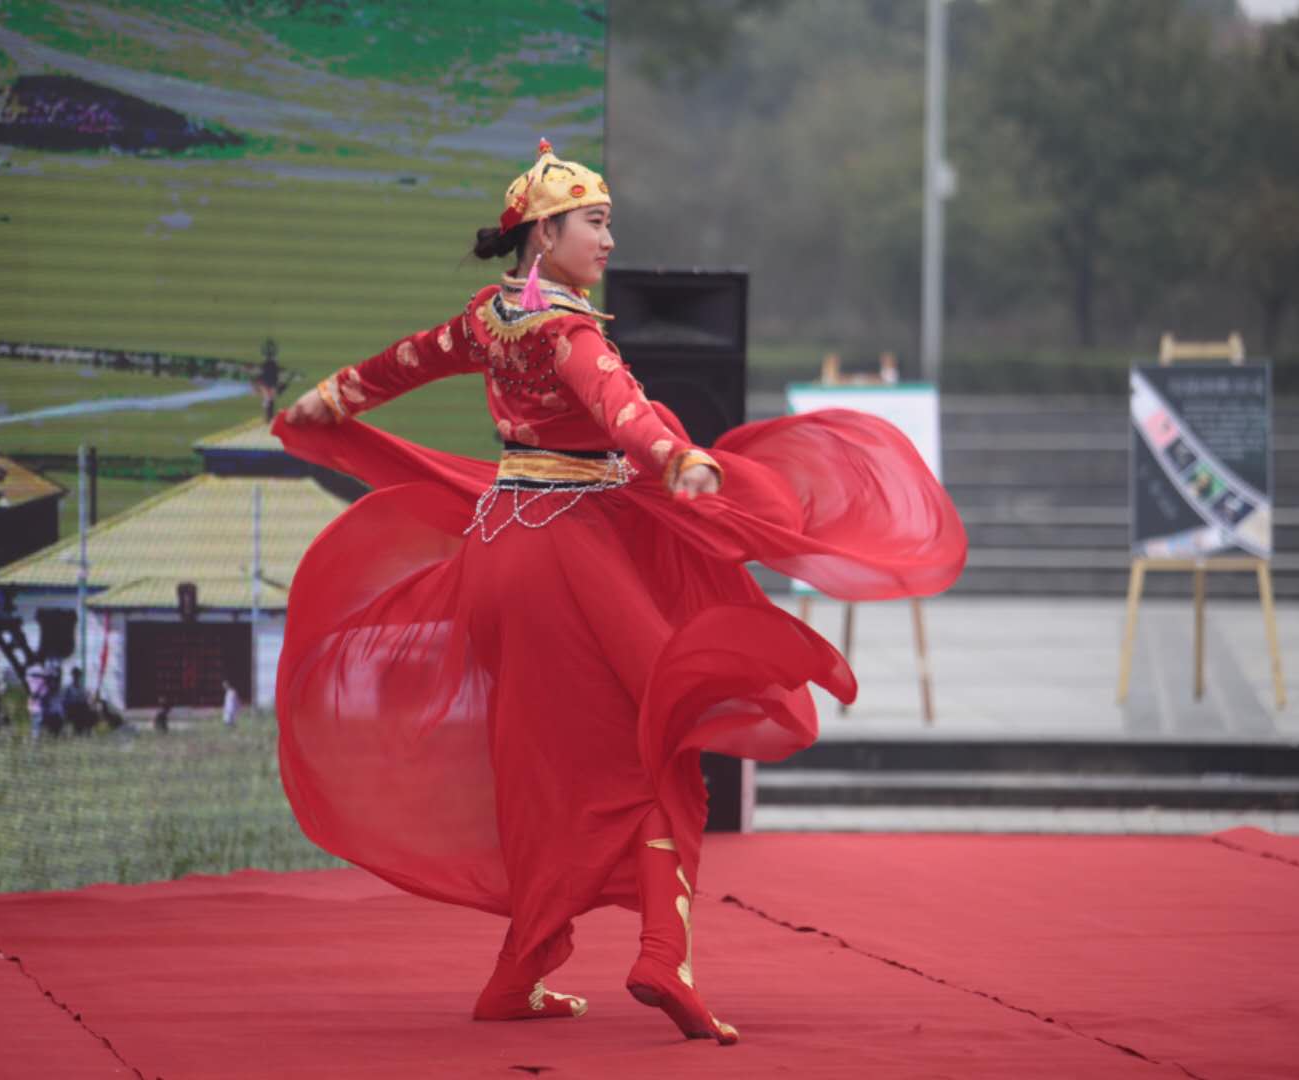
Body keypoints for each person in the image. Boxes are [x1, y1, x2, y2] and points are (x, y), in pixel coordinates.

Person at [275, 139, 966, 1045]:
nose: (607, 241)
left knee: (540, 765)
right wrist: (675, 457)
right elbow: (619, 409)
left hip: (497, 549)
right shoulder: (569, 331)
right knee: (658, 747)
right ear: (544, 233)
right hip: (567, 554)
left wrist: (328, 400)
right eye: (594, 224)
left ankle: (518, 975)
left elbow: (399, 363)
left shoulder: (486, 319)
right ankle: (661, 956)